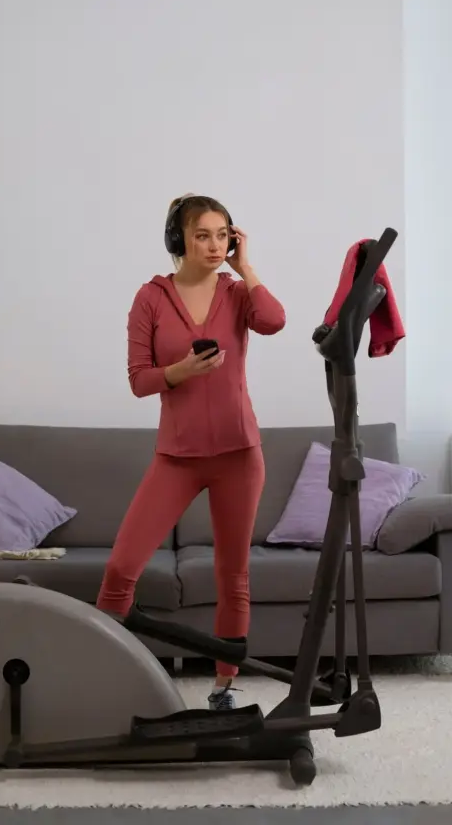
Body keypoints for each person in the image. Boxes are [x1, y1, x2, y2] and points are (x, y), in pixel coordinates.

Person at [96, 193, 286, 710]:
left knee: (233, 577)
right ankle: (102, 676)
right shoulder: (151, 298)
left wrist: (246, 268)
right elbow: (139, 380)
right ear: (178, 238)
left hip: (239, 455)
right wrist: (179, 372)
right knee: (120, 570)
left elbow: (274, 320)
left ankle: (224, 688)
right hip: (176, 457)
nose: (214, 245)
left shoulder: (237, 293)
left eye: (223, 235)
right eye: (203, 235)